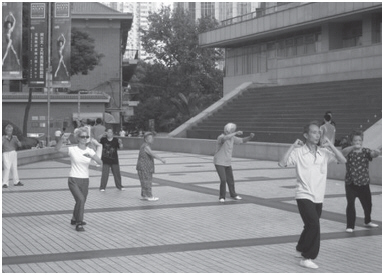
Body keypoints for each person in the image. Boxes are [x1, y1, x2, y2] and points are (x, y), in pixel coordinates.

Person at [278, 121, 346, 269]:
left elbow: (343, 160)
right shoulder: (298, 152)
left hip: (318, 196)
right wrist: (292, 147)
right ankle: (307, 257)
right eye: (314, 132)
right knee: (314, 225)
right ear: (306, 135)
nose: (317, 135)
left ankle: (300, 248)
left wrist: (331, 146)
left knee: (310, 225)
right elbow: (282, 163)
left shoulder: (324, 153)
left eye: (319, 133)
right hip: (303, 194)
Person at [55, 127, 102, 232]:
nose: (85, 139)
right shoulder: (72, 149)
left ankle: (74, 218)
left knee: (81, 201)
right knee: (80, 199)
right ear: (78, 138)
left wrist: (94, 157)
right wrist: (62, 140)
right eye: (82, 137)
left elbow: (100, 162)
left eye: (86, 137)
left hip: (85, 180)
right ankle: (79, 223)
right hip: (73, 179)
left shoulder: (90, 151)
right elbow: (57, 149)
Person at [341, 130, 380, 233]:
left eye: (359, 140)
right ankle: (350, 226)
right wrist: (353, 147)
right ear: (351, 141)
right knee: (350, 204)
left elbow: (373, 154)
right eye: (355, 140)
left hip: (364, 183)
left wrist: (376, 152)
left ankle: (367, 221)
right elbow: (342, 153)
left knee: (368, 204)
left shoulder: (365, 151)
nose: (358, 142)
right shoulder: (348, 151)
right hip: (350, 183)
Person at [214, 123, 255, 202]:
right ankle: (222, 197)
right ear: (228, 130)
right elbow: (225, 138)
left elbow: (242, 140)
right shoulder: (221, 137)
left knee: (230, 180)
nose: (233, 132)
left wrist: (250, 137)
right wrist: (235, 133)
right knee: (223, 179)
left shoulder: (232, 138)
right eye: (232, 130)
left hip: (227, 162)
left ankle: (233, 194)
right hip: (219, 162)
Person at [136, 132, 166, 201]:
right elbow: (153, 154)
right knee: (147, 181)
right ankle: (149, 196)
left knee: (144, 181)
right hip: (144, 168)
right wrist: (161, 159)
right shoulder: (146, 146)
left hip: (143, 167)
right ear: (146, 140)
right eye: (150, 138)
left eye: (152, 138)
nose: (152, 140)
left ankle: (144, 195)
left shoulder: (145, 145)